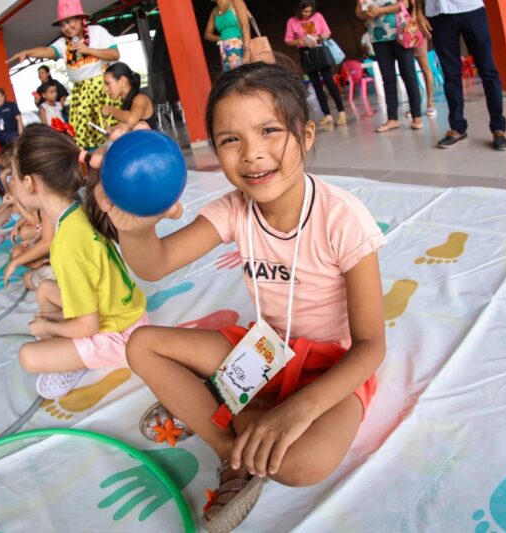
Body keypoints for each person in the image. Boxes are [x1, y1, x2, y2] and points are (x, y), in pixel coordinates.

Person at [95, 62, 386, 531]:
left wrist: (299, 410)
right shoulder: (234, 209)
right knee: (142, 345)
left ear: (307, 135)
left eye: (270, 131)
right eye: (231, 139)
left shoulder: (344, 219)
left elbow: (372, 346)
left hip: (332, 367)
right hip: (264, 349)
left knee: (302, 465)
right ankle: (231, 450)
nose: (252, 154)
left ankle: (230, 409)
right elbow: (155, 263)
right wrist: (137, 229)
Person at [14, 124, 148, 399]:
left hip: (123, 337)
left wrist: (48, 327)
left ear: (29, 182)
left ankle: (72, 361)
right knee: (44, 290)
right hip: (129, 314)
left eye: (12, 177)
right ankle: (69, 353)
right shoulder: (78, 208)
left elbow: (89, 327)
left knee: (28, 356)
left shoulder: (66, 245)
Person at [8, 0, 121, 149]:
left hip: (104, 91)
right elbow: (47, 51)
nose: (66, 27)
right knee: (81, 140)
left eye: (69, 22)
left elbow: (115, 54)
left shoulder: (97, 31)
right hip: (81, 96)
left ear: (81, 19)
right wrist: (28, 52)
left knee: (114, 133)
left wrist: (89, 50)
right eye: (62, 24)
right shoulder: (63, 43)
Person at [415, 0, 506, 150]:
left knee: (488, 70)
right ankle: (457, 127)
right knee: (450, 75)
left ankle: (498, 128)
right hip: (438, 14)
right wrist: (419, 12)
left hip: (470, 8)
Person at [357, 0, 423, 132]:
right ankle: (392, 119)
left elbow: (405, 4)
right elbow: (358, 12)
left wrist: (380, 11)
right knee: (388, 79)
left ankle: (417, 116)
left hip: (402, 33)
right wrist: (365, 12)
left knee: (408, 75)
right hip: (378, 38)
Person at [286, 1, 347, 127]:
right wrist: (300, 40)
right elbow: (288, 40)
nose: (307, 14)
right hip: (305, 52)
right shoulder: (292, 21)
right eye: (305, 11)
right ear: (299, 10)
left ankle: (341, 112)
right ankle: (327, 115)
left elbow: (327, 33)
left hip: (320, 49)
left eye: (310, 11)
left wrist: (317, 36)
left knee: (329, 81)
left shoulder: (318, 16)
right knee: (316, 85)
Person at [101, 62, 158, 133]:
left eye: (108, 83)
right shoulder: (126, 102)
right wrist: (112, 130)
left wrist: (109, 109)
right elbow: (127, 126)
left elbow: (131, 120)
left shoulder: (141, 99)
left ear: (122, 81)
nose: (105, 89)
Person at [205, 0, 251, 72]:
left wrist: (247, 52)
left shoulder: (236, 2)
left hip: (239, 47)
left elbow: (246, 26)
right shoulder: (215, 11)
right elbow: (207, 35)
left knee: (242, 76)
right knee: (231, 78)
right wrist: (221, 38)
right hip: (224, 50)